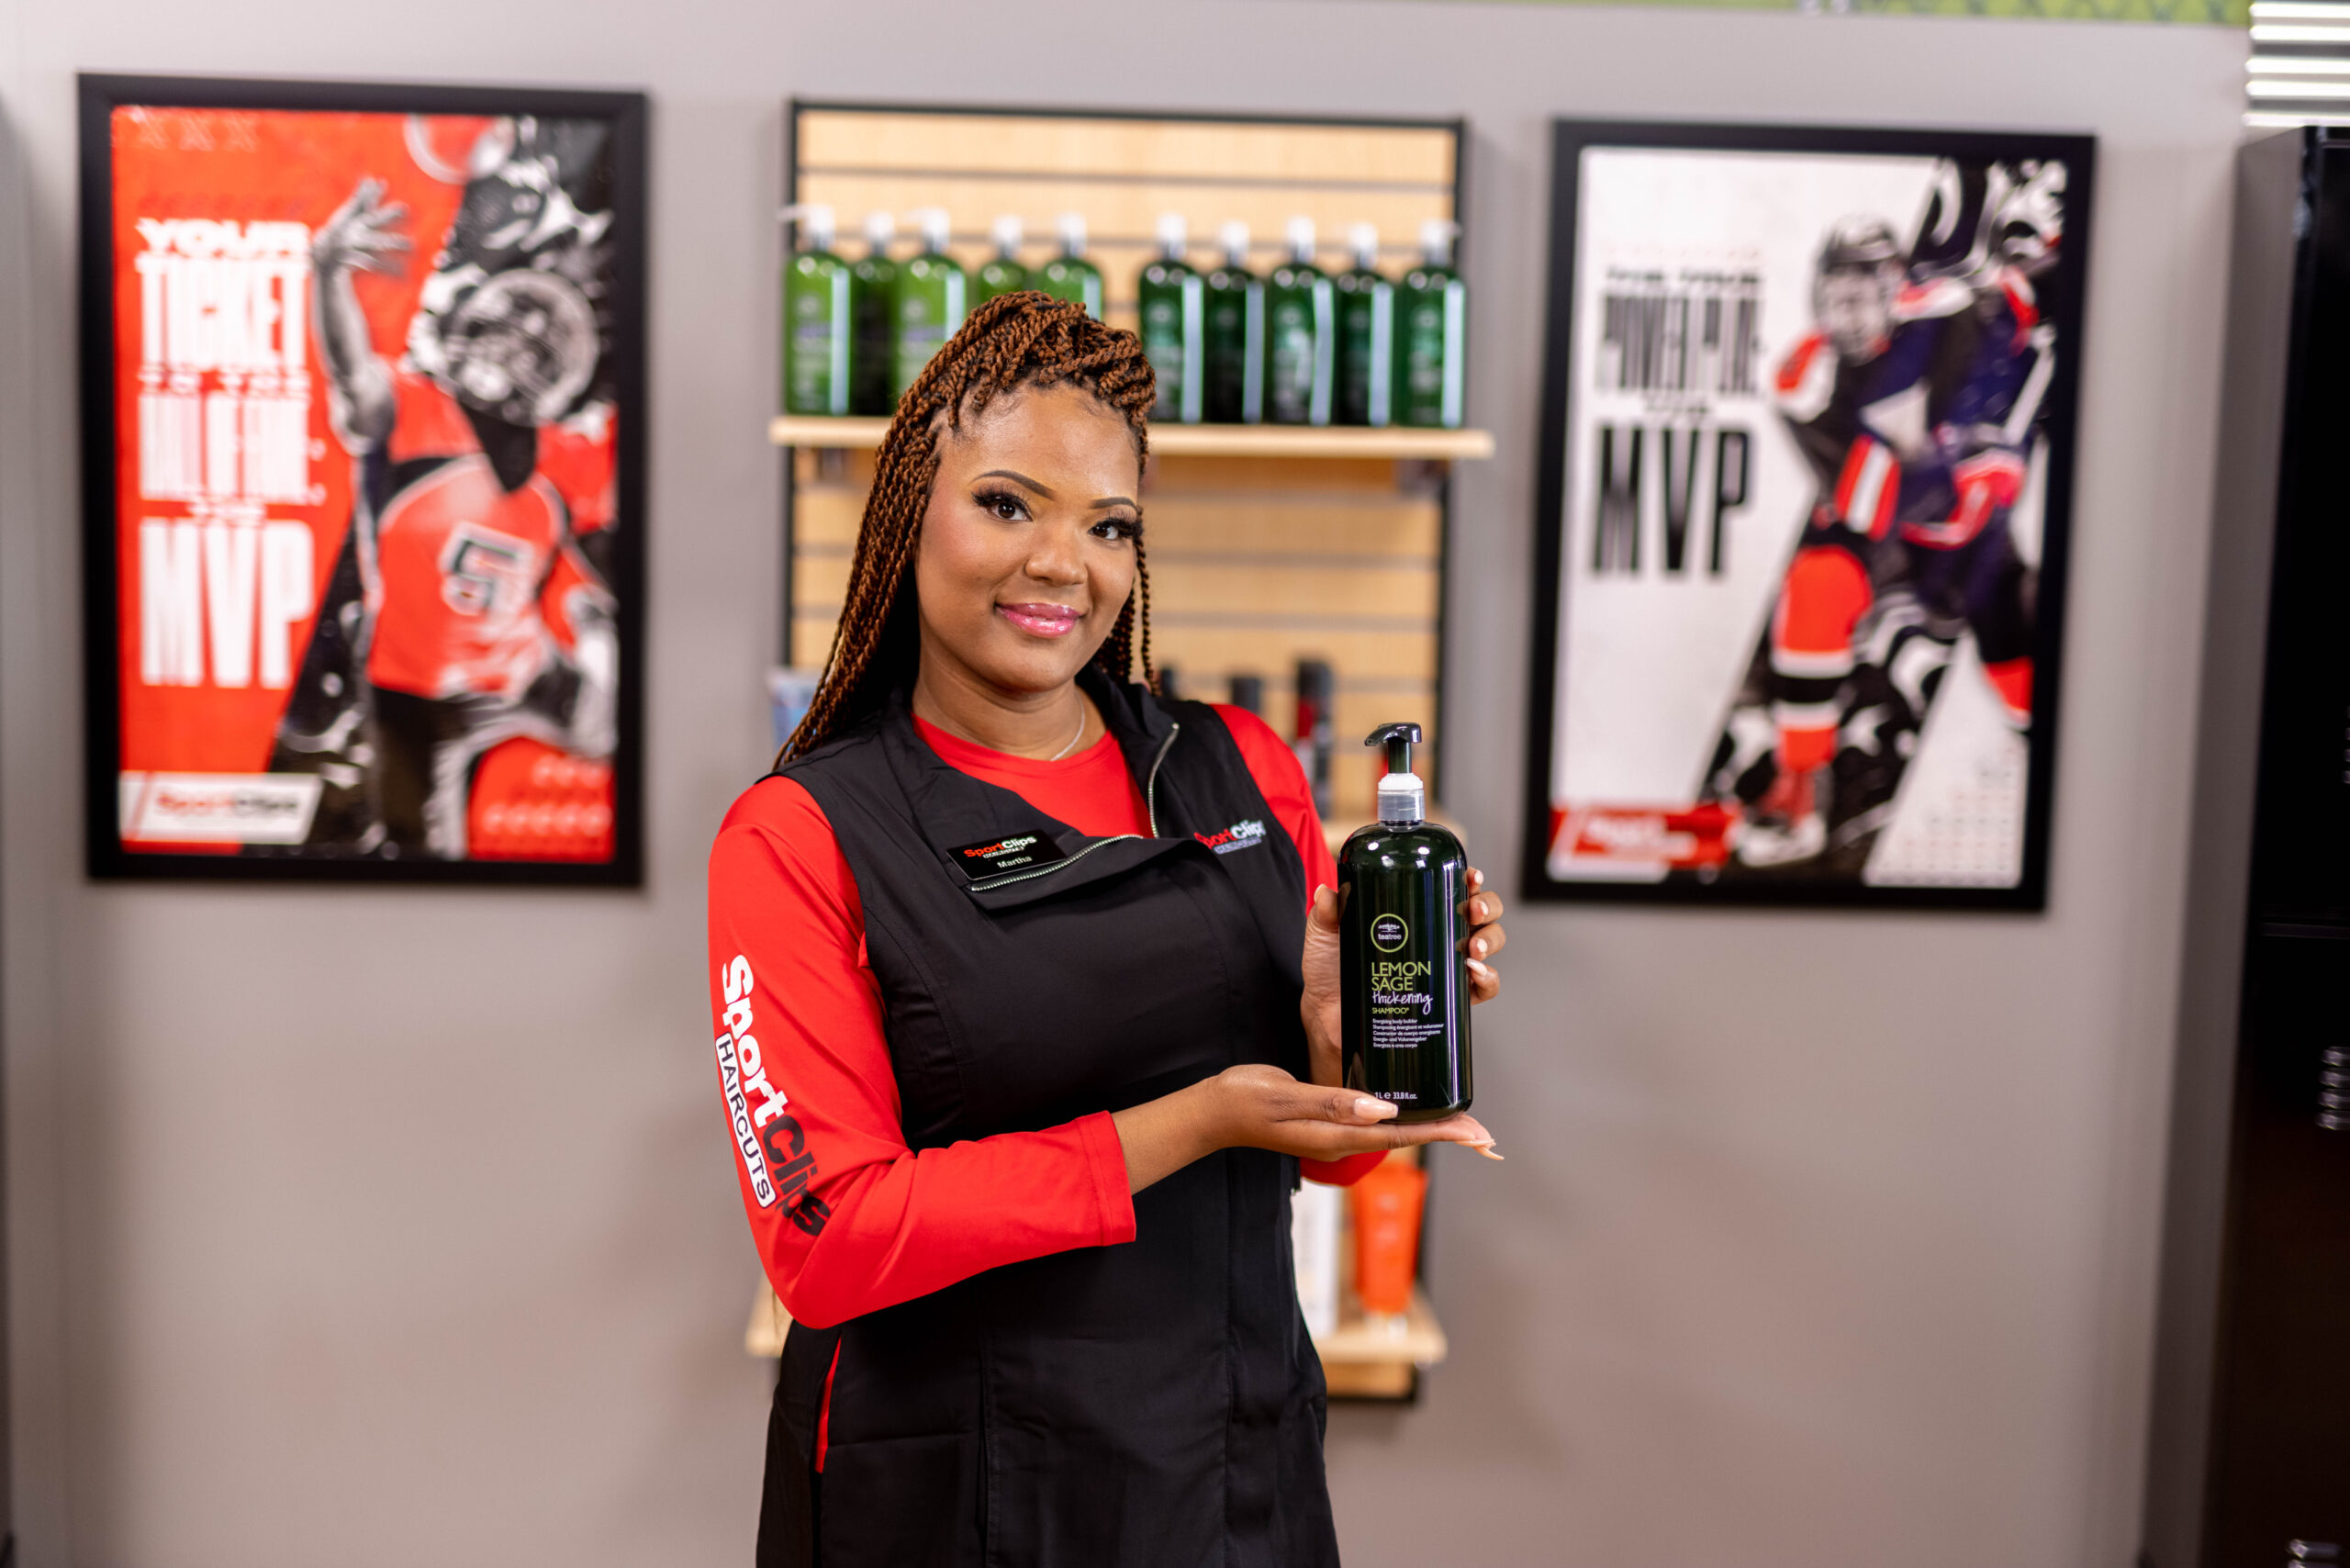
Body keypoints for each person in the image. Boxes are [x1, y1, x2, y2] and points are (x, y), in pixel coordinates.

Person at [708, 292, 1505, 1567]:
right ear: (913, 503)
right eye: (1008, 504)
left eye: (1110, 525)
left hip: (1232, 1480)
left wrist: (1346, 1047)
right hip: (948, 1501)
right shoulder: (801, 834)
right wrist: (1192, 1120)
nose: (1061, 565)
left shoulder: (1238, 769)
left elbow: (1329, 1158)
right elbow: (828, 1239)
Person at [274, 120, 620, 858]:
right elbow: (350, 369)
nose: (514, 342)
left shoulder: (566, 456)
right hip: (416, 686)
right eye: (510, 323)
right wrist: (328, 274)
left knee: (615, 730)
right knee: (420, 854)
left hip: (520, 668)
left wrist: (598, 618)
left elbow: (597, 556)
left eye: (535, 337)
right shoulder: (412, 407)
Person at [1736, 185, 2051, 868]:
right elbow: (1875, 499)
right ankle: (1801, 781)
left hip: (1965, 535)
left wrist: (2032, 290)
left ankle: (2045, 754)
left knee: (2015, 632)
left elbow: (2018, 301)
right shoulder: (1806, 377)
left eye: (1863, 291)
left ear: (1896, 287)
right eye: (1834, 294)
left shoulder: (1946, 311)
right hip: (1876, 529)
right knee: (1816, 586)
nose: (1847, 312)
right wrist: (1976, 470)